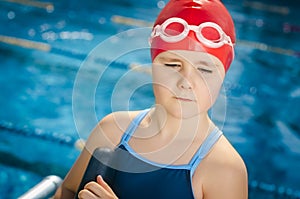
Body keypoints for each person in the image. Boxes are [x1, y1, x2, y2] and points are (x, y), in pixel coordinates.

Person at [54, 0, 248, 198]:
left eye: (205, 69)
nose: (186, 82)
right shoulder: (113, 130)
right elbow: (66, 191)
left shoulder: (224, 167)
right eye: (173, 65)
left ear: (223, 76)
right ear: (153, 67)